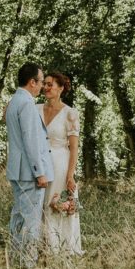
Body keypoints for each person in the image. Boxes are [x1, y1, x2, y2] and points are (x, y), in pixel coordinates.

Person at [5, 63, 54, 268]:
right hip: (28, 172)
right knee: (31, 221)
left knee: (18, 217)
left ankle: (15, 260)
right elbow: (30, 141)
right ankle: (28, 265)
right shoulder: (26, 103)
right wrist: (39, 172)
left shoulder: (13, 101)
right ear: (32, 82)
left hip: (17, 169)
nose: (43, 86)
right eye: (41, 82)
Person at [38, 72, 83, 255]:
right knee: (41, 205)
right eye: (45, 84)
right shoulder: (36, 109)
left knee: (57, 204)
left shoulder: (70, 113)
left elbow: (73, 148)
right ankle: (43, 248)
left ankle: (62, 249)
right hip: (39, 164)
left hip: (60, 164)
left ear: (61, 88)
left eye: (50, 85)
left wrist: (70, 175)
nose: (46, 88)